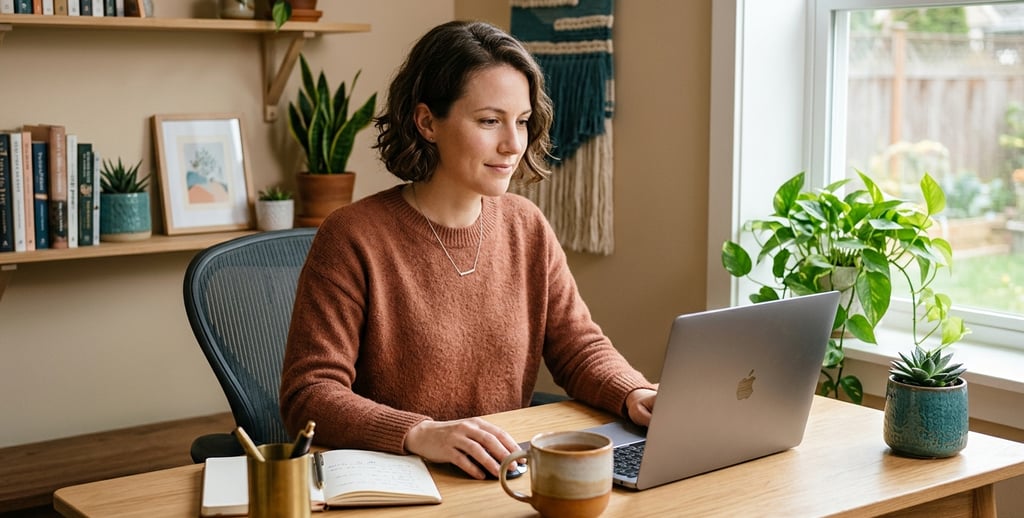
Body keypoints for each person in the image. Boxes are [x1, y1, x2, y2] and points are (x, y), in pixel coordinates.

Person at [279, 20, 657, 480]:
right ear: (426, 122)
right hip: (398, 483)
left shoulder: (527, 226)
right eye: (489, 121)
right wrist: (420, 432)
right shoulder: (353, 236)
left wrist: (632, 393)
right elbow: (309, 394)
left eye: (521, 121)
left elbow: (578, 348)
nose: (513, 144)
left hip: (500, 479)